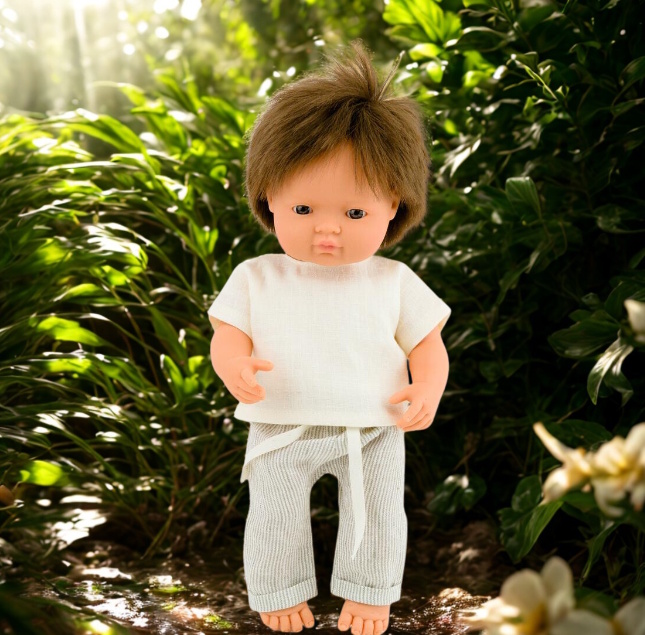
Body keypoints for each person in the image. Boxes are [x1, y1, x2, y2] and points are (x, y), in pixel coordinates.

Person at [208, 40, 451, 635]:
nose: (327, 231)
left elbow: (427, 345)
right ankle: (277, 590)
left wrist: (428, 388)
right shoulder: (257, 276)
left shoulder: (393, 280)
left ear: (393, 207)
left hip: (373, 425)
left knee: (378, 516)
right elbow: (226, 333)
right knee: (274, 515)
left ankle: (370, 594)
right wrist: (233, 365)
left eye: (354, 214)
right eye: (304, 210)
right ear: (269, 196)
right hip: (280, 423)